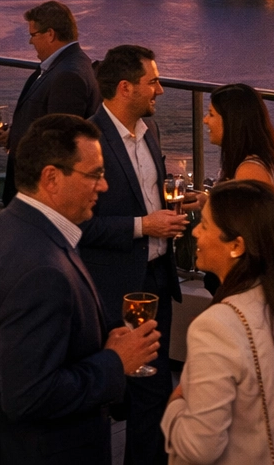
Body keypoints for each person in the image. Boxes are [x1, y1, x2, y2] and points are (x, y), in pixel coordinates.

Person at [0, 113, 160, 465]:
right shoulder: (40, 268)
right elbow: (29, 396)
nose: (104, 186)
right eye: (94, 174)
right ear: (51, 178)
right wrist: (115, 362)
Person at [162, 180, 274, 464]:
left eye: (205, 225)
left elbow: (198, 448)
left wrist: (174, 407)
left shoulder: (216, 326)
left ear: (236, 245)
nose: (195, 232)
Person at [80, 45, 188, 465]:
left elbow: (147, 197)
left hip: (157, 277)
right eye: (153, 82)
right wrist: (145, 226)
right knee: (118, 389)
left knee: (153, 391)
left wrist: (180, 205)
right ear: (125, 88)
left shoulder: (150, 132)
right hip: (113, 287)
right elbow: (79, 224)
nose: (160, 90)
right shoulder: (87, 140)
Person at [1, 0, 100, 204]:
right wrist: (15, 135)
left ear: (50, 34)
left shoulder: (68, 75)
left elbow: (59, 143)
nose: (30, 42)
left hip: (39, 194)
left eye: (33, 35)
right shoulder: (68, 65)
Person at [205, 83, 274, 227]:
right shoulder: (267, 157)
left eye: (211, 114)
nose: (205, 120)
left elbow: (247, 232)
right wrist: (208, 201)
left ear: (232, 121)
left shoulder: (250, 170)